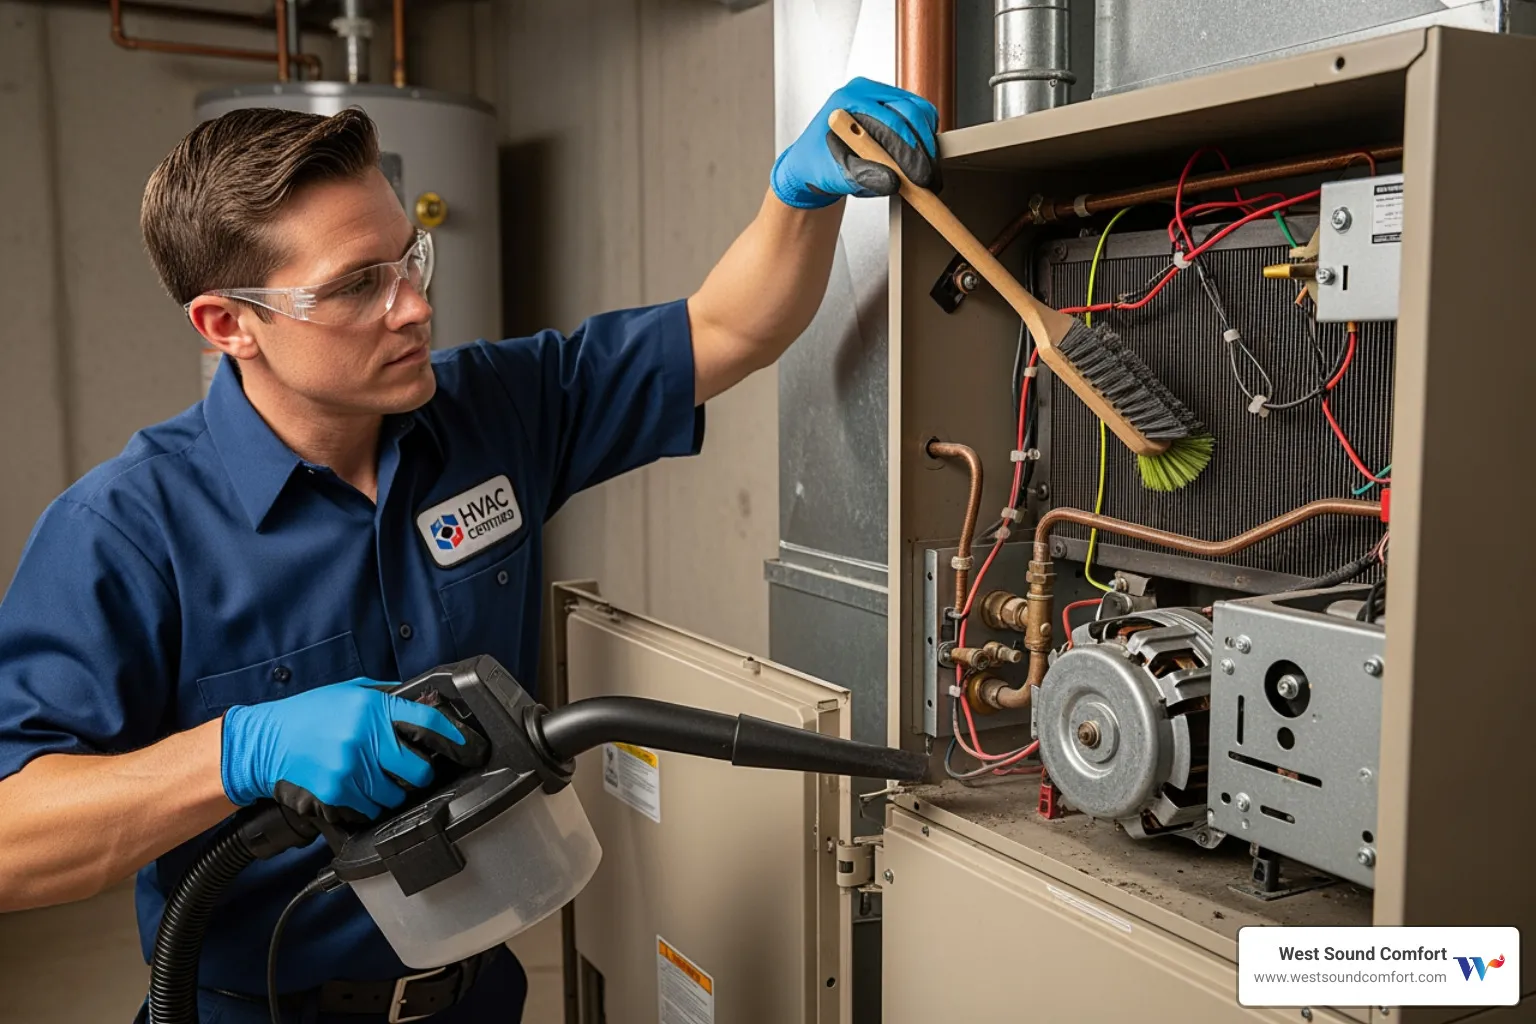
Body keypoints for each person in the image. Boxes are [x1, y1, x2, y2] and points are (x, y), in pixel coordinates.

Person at [0, 78, 939, 1023]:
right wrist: (241, 752)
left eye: (410, 256)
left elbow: (727, 329)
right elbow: (11, 842)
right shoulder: (124, 532)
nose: (411, 306)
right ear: (228, 324)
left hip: (479, 997)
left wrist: (799, 196)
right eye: (357, 284)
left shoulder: (490, 409)